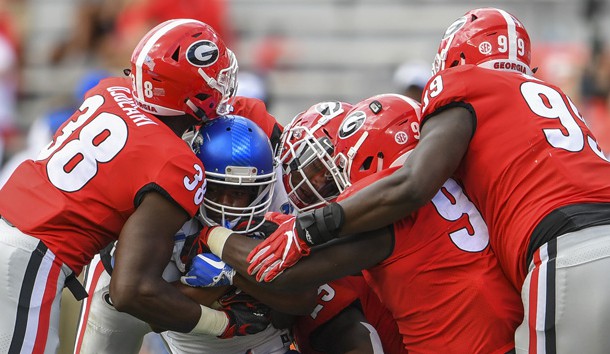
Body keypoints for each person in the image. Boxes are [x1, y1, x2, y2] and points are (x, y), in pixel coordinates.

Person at [244, 7, 610, 354]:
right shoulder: (552, 96)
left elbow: (411, 185)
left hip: (563, 247)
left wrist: (304, 227)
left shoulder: (459, 94)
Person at [189, 93, 523, 352]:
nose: (332, 176)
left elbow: (284, 275)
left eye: (341, 158)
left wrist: (213, 236)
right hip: (509, 331)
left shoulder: (388, 209)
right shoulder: (446, 182)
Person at [0, 18, 239, 352]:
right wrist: (220, 324)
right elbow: (131, 289)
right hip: (30, 254)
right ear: (192, 91)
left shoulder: (108, 89)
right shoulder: (177, 164)